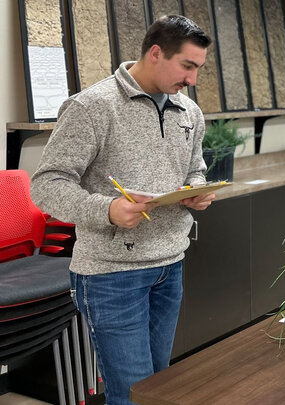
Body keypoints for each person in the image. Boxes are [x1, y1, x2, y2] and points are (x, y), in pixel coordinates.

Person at [31, 15, 215, 404]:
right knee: (131, 394)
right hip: (112, 275)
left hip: (169, 266)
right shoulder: (91, 107)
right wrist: (108, 209)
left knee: (158, 390)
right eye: (188, 66)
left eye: (198, 68)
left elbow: (194, 169)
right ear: (154, 53)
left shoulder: (189, 113)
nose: (193, 79)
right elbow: (46, 185)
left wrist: (196, 190)